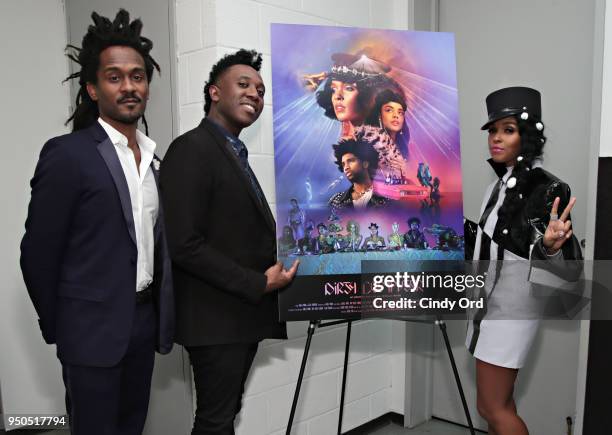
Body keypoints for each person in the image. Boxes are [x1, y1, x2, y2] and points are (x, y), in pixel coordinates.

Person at [19, 10, 174, 435]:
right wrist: (64, 327)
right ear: (92, 88)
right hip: (89, 333)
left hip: (142, 324)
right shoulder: (68, 154)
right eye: (114, 77)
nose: (129, 86)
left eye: (138, 76)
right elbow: (37, 253)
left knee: (132, 427)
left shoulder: (155, 161)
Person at [160, 49, 299, 435]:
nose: (255, 93)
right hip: (214, 320)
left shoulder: (233, 153)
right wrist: (259, 283)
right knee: (215, 421)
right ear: (213, 92)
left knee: (223, 415)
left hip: (237, 318)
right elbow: (183, 243)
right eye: (243, 84)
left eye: (260, 89)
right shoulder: (192, 149)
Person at [464, 87, 582, 435]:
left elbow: (565, 263)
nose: (496, 138)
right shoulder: (498, 184)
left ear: (527, 136)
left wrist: (550, 246)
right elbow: (493, 242)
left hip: (511, 310)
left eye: (508, 129)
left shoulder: (547, 188)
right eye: (493, 130)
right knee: (501, 404)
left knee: (492, 407)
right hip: (487, 304)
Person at [307, 52, 401, 139]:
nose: (337, 96)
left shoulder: (381, 140)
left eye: (349, 89)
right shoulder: (349, 132)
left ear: (367, 95)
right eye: (333, 89)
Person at [328, 138, 388, 211]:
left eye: (351, 161)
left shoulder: (385, 199)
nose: (346, 167)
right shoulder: (336, 201)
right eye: (343, 164)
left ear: (365, 163)